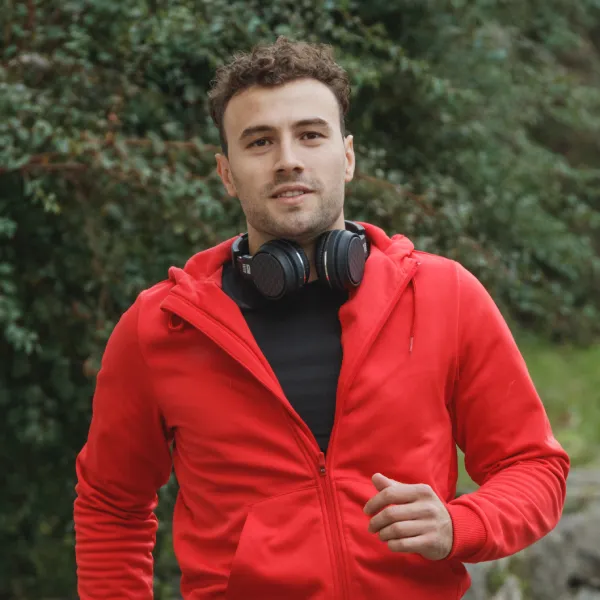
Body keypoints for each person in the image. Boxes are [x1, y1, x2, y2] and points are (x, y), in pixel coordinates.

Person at [74, 37, 570, 599]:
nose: (288, 159)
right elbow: (111, 505)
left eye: (310, 134)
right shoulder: (161, 326)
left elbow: (534, 466)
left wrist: (462, 525)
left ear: (348, 156)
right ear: (227, 173)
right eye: (260, 141)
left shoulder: (443, 295)